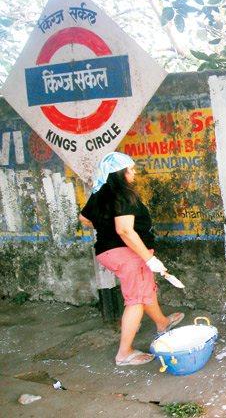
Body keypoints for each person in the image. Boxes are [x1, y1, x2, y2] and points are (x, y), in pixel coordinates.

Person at [79, 152, 184, 367]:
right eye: (131, 169)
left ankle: (162, 323)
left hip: (107, 252)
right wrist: (149, 259)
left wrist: (104, 227)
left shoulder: (100, 192)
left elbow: (84, 218)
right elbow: (125, 231)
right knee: (136, 300)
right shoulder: (123, 195)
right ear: (120, 173)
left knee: (145, 289)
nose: (134, 173)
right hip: (127, 254)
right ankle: (124, 353)